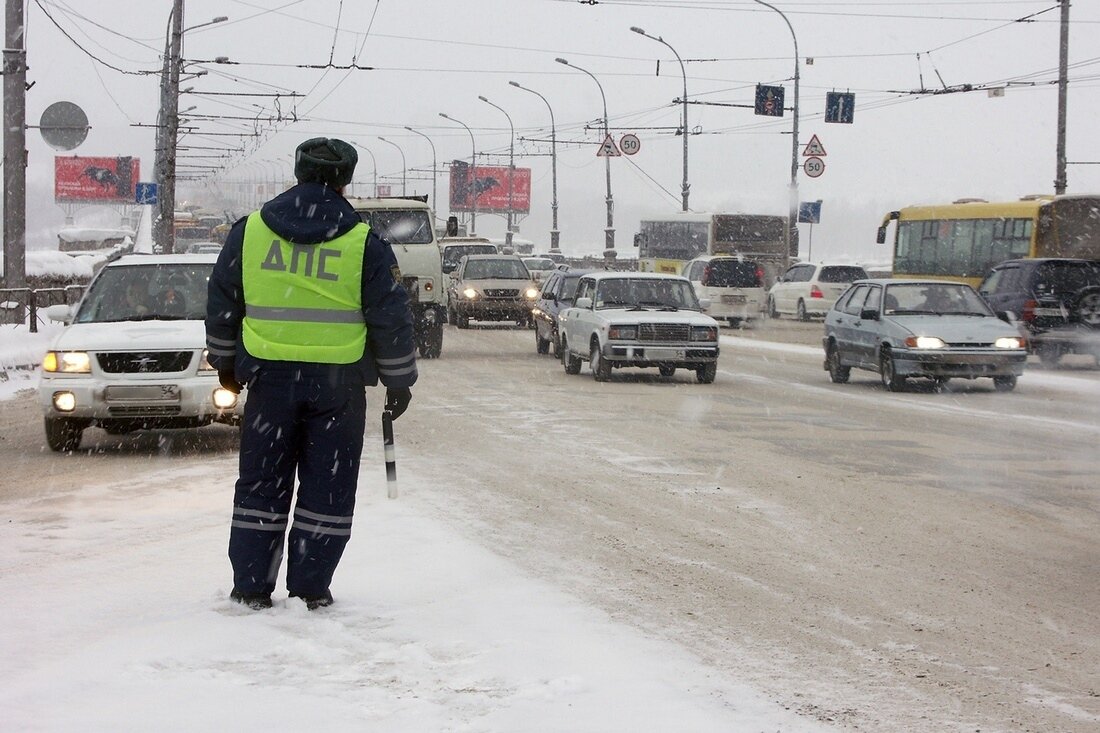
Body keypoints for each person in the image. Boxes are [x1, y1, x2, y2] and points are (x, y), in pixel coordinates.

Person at [205, 137, 418, 611]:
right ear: (345, 180)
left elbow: (223, 301)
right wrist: (399, 379)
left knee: (261, 486)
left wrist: (225, 365)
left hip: (268, 382)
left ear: (297, 174)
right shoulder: (365, 243)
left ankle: (251, 588)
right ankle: (311, 588)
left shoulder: (251, 231)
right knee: (328, 488)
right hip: (336, 388)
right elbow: (390, 316)